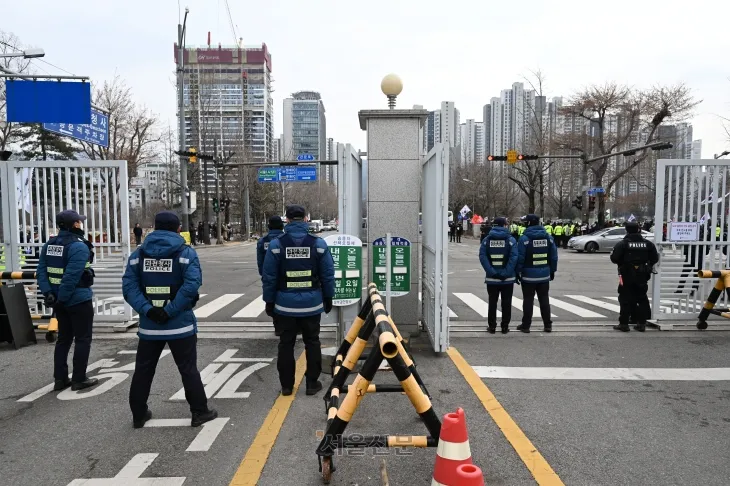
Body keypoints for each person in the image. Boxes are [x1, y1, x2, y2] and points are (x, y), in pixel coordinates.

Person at [123, 211, 217, 428]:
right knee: (188, 369)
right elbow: (191, 285)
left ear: (154, 228)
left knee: (144, 369)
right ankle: (199, 412)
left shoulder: (138, 255)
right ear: (177, 229)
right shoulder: (185, 253)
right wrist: (170, 310)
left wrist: (148, 310)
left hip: (149, 327)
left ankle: (138, 414)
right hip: (179, 325)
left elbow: (129, 287)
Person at [262, 205, 335, 396]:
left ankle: (287, 386)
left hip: (284, 305)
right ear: (305, 219)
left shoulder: (277, 245)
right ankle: (312, 383)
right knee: (312, 341)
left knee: (286, 343)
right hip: (312, 304)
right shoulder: (318, 244)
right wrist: (328, 297)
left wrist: (269, 302)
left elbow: (269, 277)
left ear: (286, 220)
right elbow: (328, 275)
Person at [37, 210, 98, 391]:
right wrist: (62, 299)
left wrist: (49, 294)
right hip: (77, 300)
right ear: (76, 225)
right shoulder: (79, 247)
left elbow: (41, 272)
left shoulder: (49, 245)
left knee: (63, 340)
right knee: (82, 339)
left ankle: (60, 379)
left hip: (58, 300)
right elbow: (71, 277)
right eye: (80, 221)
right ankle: (79, 378)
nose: (81, 224)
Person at [610, 221, 659, 332]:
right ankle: (641, 324)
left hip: (626, 275)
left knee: (625, 298)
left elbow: (614, 258)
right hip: (642, 275)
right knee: (641, 298)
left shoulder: (623, 244)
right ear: (639, 229)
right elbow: (655, 258)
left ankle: (624, 324)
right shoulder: (648, 244)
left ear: (626, 230)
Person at [515, 214, 558, 333]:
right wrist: (552, 270)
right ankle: (547, 325)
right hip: (544, 275)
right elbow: (554, 257)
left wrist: (518, 272)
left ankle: (526, 325)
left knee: (528, 300)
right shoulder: (548, 237)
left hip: (528, 276)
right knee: (544, 299)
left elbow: (520, 258)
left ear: (529, 223)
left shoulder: (524, 239)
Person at [479, 217, 518, 334]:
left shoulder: (486, 240)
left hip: (492, 279)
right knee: (506, 303)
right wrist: (506, 272)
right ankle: (505, 327)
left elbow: (482, 257)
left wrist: (491, 272)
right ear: (504, 225)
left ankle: (492, 327)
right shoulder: (511, 240)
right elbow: (514, 257)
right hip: (508, 279)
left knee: (492, 303)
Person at [258, 216, 285, 335]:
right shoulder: (285, 240)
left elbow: (260, 262)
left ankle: (277, 326)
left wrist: (264, 275)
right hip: (285, 276)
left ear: (269, 226)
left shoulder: (263, 241)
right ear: (282, 226)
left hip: (268, 275)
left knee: (272, 299)